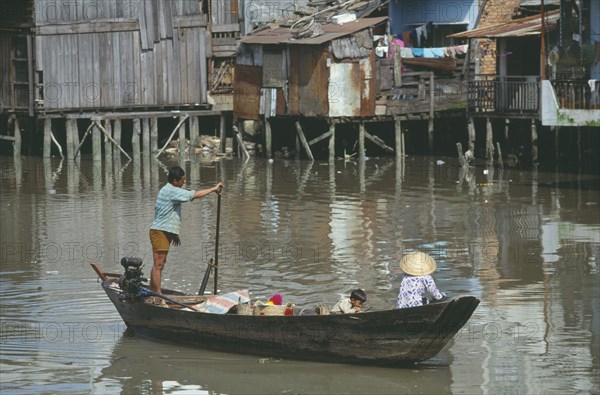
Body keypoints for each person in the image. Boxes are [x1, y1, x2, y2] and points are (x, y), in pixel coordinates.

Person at [149, 165, 223, 293]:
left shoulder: (168, 189)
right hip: (159, 232)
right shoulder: (172, 190)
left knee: (159, 263)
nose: (184, 182)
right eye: (182, 180)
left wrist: (174, 234)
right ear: (175, 181)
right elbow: (193, 195)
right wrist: (213, 189)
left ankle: (154, 291)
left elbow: (167, 213)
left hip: (163, 231)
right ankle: (157, 294)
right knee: (158, 264)